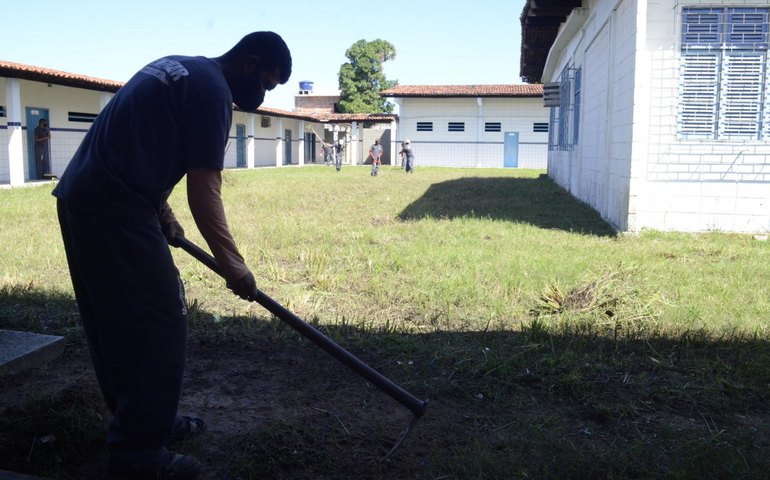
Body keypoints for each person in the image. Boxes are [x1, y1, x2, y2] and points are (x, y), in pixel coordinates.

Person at [52, 32, 292, 480]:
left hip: (84, 197)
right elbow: (205, 191)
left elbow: (138, 141)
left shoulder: (181, 67)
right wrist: (234, 265)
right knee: (160, 320)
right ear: (249, 62)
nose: (263, 96)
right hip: (115, 209)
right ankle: (139, 454)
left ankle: (142, 423)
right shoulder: (214, 91)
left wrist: (160, 210)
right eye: (266, 83)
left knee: (117, 324)